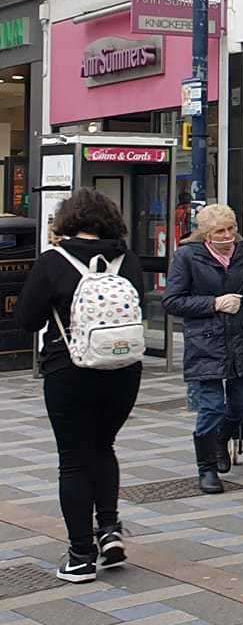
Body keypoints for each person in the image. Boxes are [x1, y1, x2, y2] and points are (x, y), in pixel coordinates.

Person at [15, 189, 145, 583]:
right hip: (124, 369)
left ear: (67, 222)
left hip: (70, 370)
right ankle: (108, 530)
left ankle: (80, 556)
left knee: (73, 458)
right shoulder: (127, 258)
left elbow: (26, 319)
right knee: (103, 446)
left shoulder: (54, 261)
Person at [164, 204, 243, 495]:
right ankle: (206, 468)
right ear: (205, 233)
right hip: (204, 340)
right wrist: (213, 303)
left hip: (241, 338)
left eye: (232, 228)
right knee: (211, 406)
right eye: (220, 230)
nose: (228, 235)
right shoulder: (187, 256)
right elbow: (172, 301)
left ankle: (222, 438)